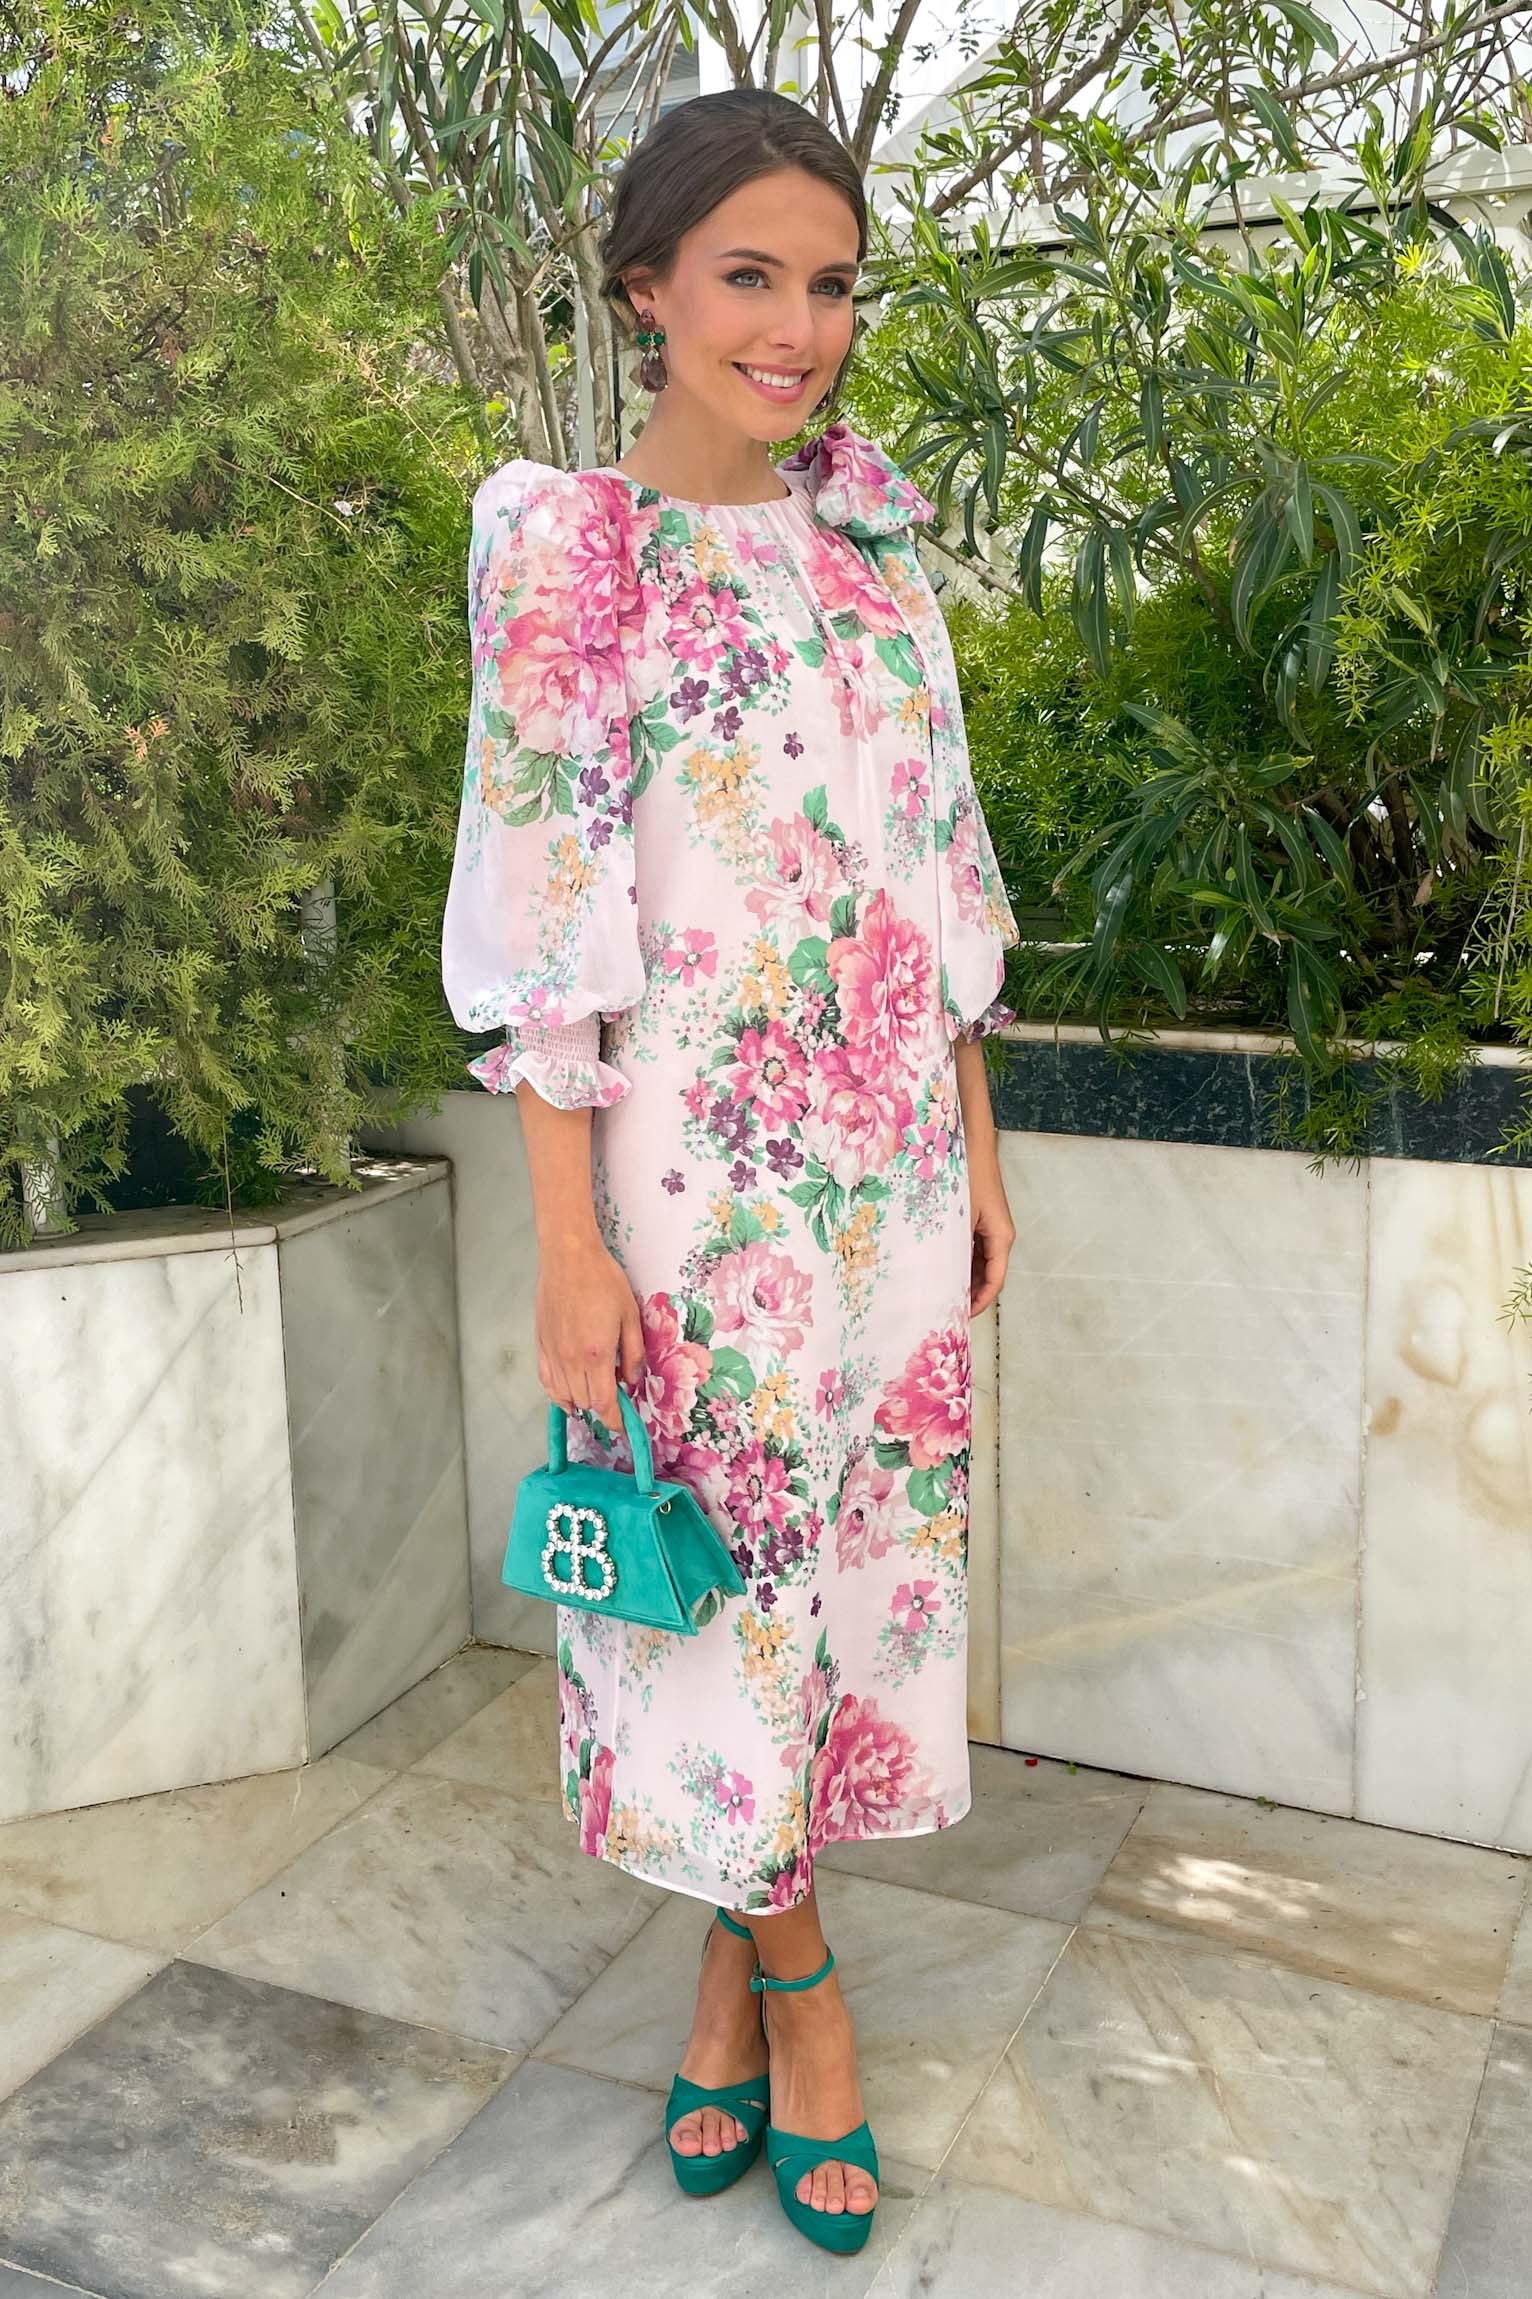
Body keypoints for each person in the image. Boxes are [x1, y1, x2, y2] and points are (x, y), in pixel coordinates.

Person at [440, 84, 1020, 2256]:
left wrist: (976, 1157)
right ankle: (805, 1993)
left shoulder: (873, 551)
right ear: (648, 293)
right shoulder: (568, 553)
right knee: (719, 1607)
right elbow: (539, 919)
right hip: (691, 1195)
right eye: (749, 276)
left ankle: (715, 1980)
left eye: (830, 283)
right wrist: (566, 1244)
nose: (796, 328)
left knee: (825, 1602)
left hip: (887, 1179)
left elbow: (939, 875)